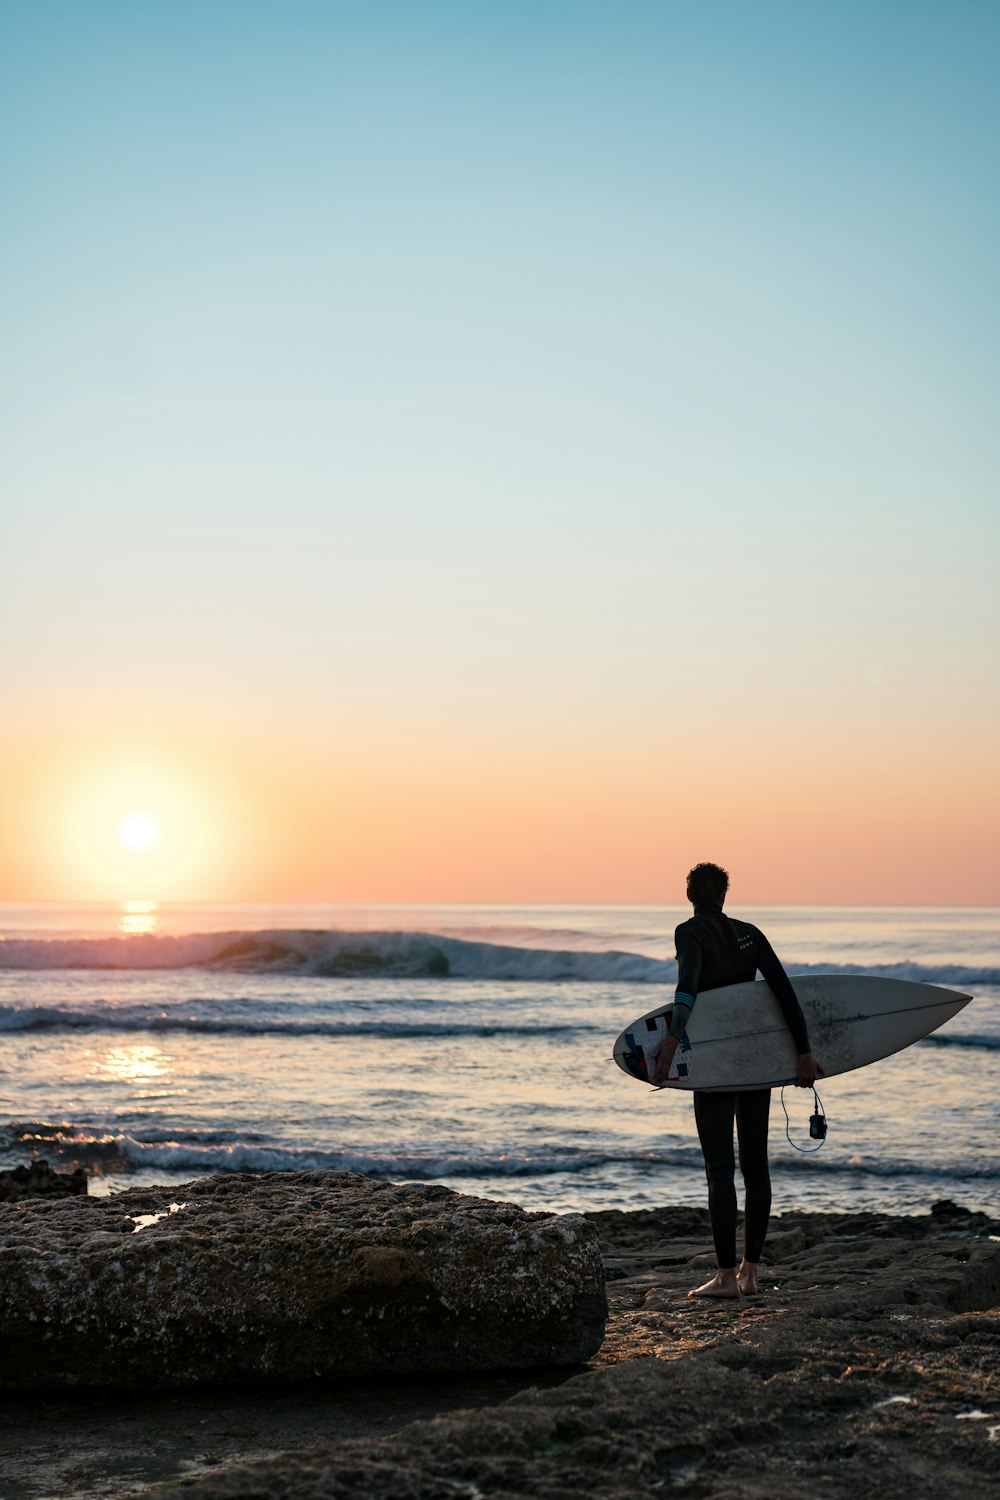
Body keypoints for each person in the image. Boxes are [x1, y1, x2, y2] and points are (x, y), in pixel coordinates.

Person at [651, 862, 821, 1299]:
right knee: (756, 1167)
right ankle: (752, 1273)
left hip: (713, 1062)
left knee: (720, 1169)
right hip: (754, 1062)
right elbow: (784, 992)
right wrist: (803, 1053)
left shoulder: (689, 933)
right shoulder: (750, 933)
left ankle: (726, 1277)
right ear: (725, 895)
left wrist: (672, 1038)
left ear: (689, 895)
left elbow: (686, 989)